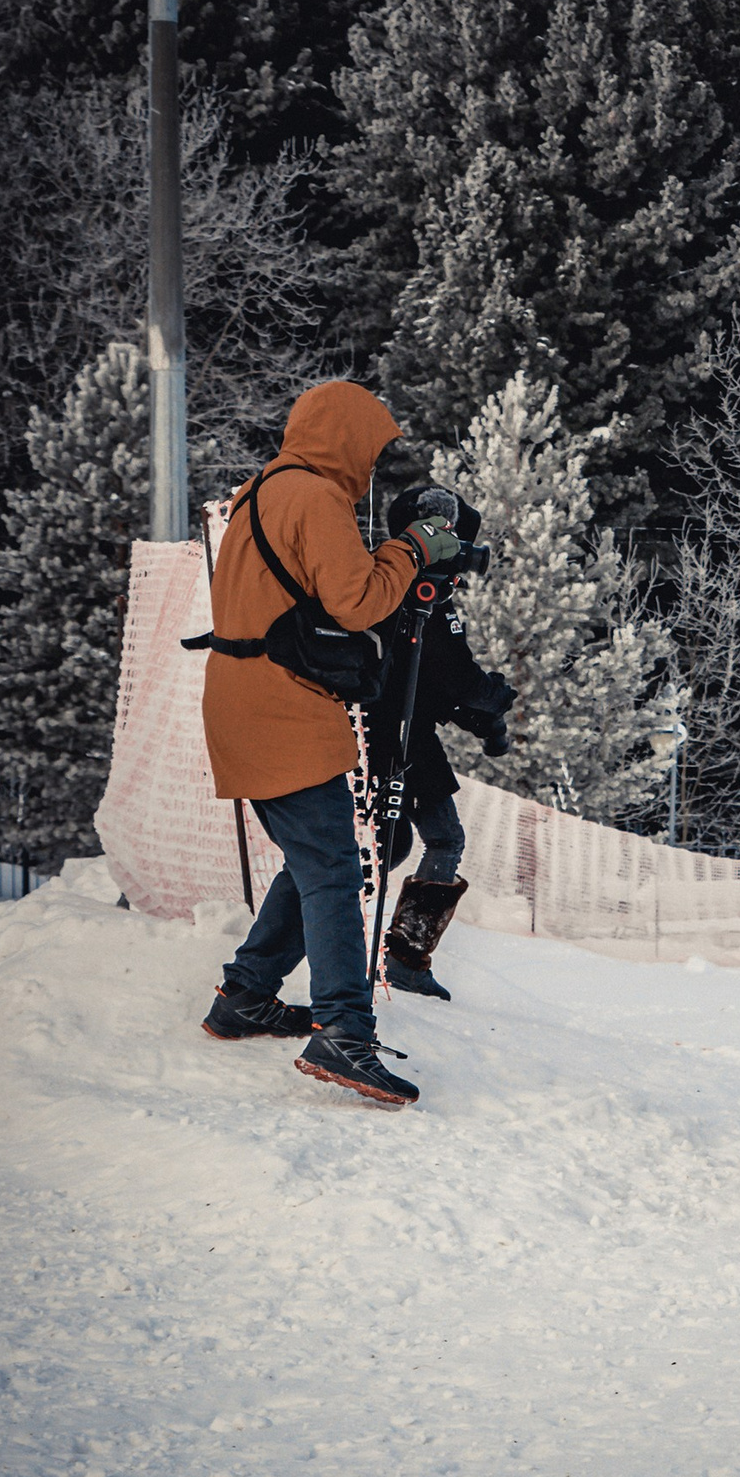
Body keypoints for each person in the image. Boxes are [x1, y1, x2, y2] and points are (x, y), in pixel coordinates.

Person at [192, 382, 465, 1106]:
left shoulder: (258, 491)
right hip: (281, 705)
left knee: (316, 860)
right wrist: (412, 550)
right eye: (369, 451)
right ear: (342, 438)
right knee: (335, 870)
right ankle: (345, 1030)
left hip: (238, 698)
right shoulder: (315, 497)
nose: (371, 468)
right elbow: (359, 601)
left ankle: (246, 995)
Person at [367, 485, 515, 1001]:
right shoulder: (426, 595)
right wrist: (494, 697)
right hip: (400, 735)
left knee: (383, 845)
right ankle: (403, 959)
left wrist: (474, 717)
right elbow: (456, 678)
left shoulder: (385, 581)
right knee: (437, 840)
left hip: (380, 726)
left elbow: (425, 678)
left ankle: (358, 941)